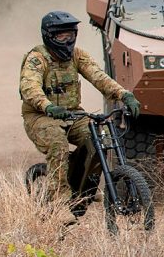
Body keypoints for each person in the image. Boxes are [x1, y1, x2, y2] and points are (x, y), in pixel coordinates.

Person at [19, 11, 141, 222]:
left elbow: (98, 76)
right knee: (58, 144)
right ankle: (59, 203)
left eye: (70, 35)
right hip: (40, 116)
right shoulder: (37, 59)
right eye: (61, 36)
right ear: (49, 36)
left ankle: (87, 186)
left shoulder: (77, 55)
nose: (67, 40)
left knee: (100, 137)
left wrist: (124, 94)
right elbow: (29, 87)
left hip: (73, 114)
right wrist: (47, 106)